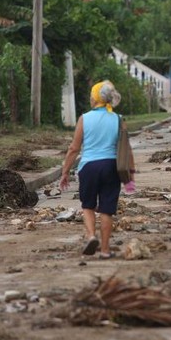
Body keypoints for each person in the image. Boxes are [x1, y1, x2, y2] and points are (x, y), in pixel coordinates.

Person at [60, 81, 129, 259]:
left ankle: (91, 236)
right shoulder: (118, 119)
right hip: (111, 167)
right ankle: (105, 251)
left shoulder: (84, 118)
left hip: (89, 167)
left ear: (96, 98)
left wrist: (65, 171)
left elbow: (74, 148)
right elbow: (125, 148)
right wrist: (130, 177)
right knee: (107, 210)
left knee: (88, 206)